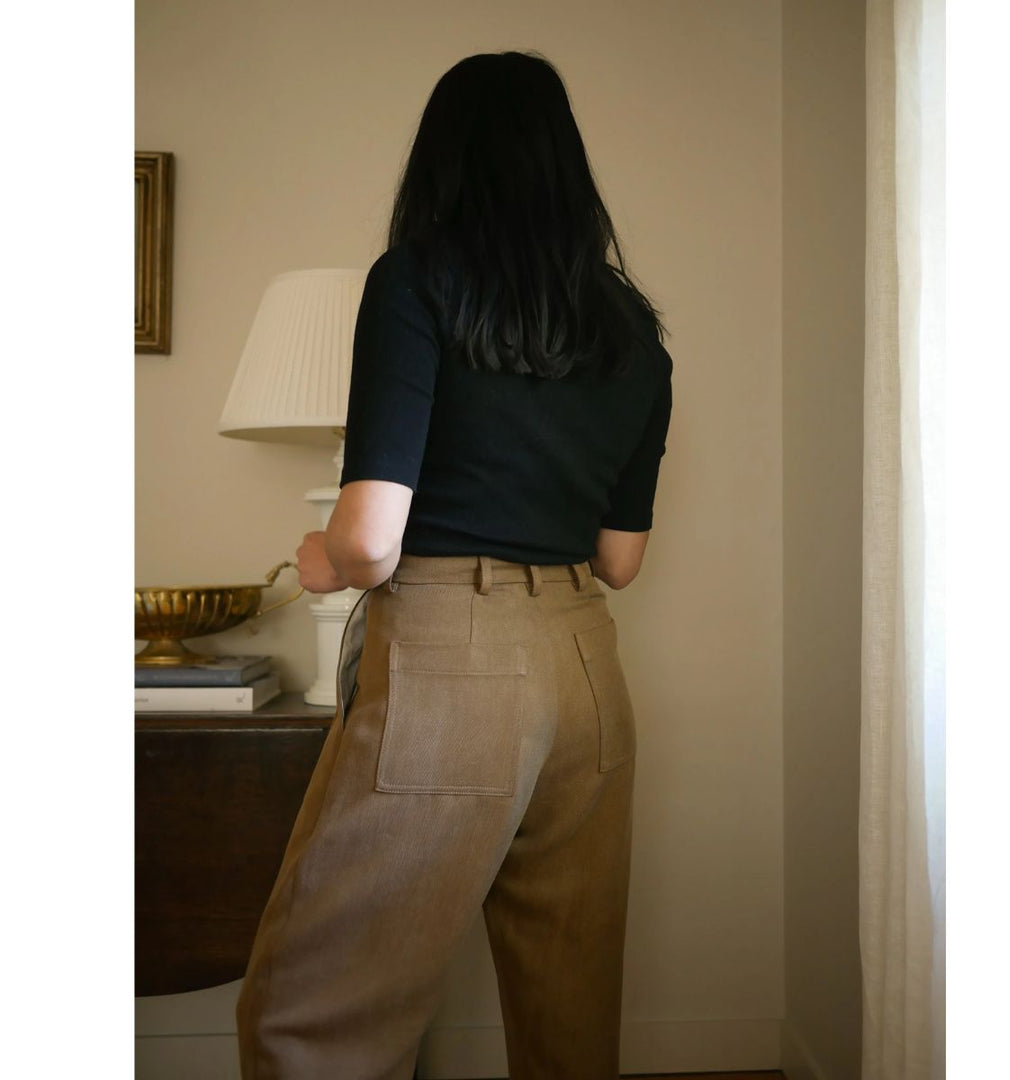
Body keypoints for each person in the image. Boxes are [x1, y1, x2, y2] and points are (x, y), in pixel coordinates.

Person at [235, 49, 673, 1080]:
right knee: (568, 1019)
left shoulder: (419, 278)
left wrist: (326, 561)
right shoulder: (632, 327)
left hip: (452, 664)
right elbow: (621, 558)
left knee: (313, 1015)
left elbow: (372, 537)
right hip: (586, 673)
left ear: (443, 159)